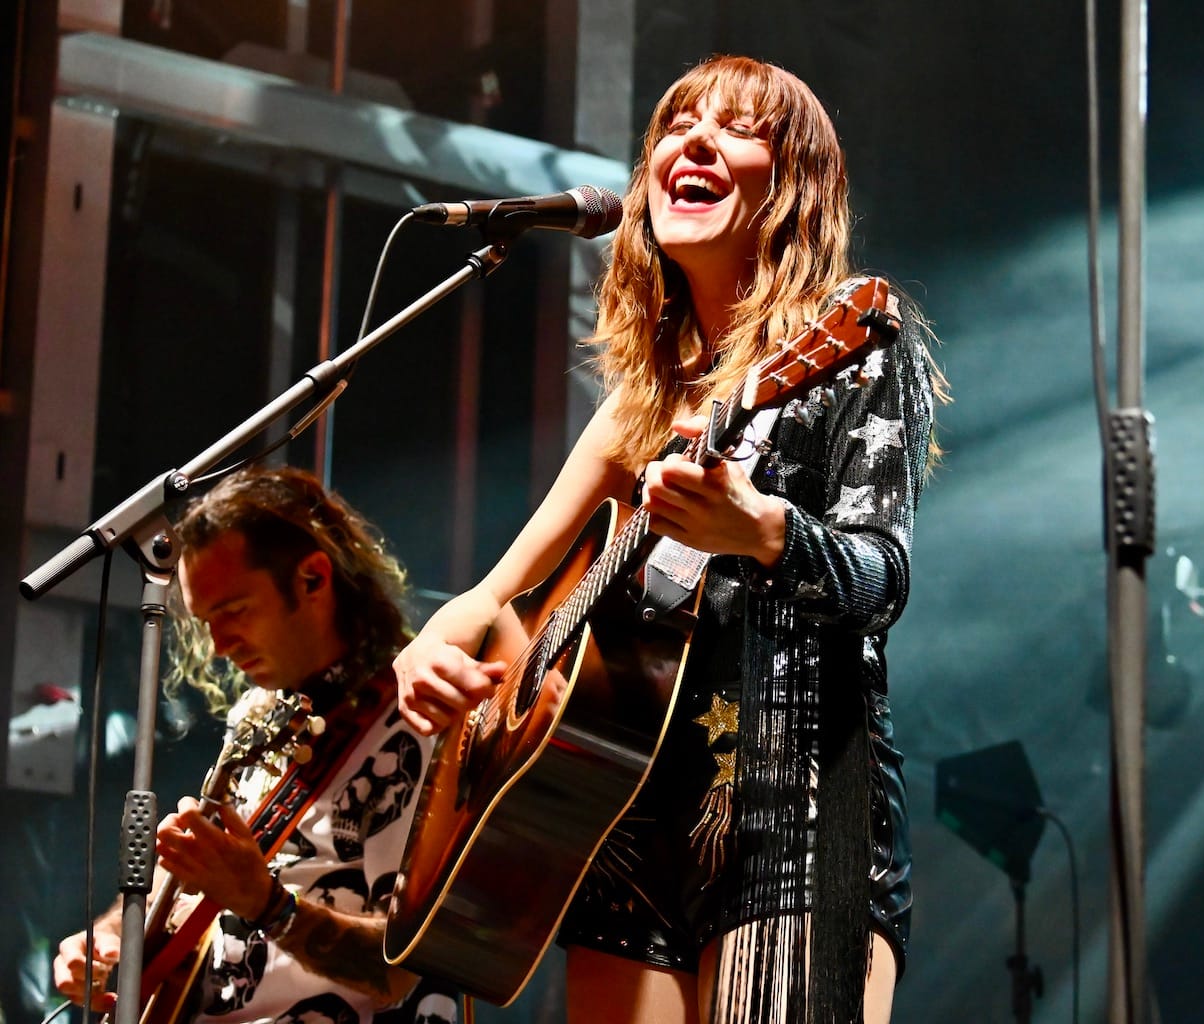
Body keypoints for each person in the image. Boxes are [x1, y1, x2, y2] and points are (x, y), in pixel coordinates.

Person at [393, 54, 945, 1024]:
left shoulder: (847, 343)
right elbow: (488, 603)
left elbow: (882, 578)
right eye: (674, 128)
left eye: (734, 127)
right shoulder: (636, 407)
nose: (690, 141)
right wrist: (432, 652)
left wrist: (762, 529)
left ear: (794, 185)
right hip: (613, 825)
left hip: (788, 818)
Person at [52, 467, 457, 1024]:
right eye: (206, 622)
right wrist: (103, 942)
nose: (217, 646)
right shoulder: (260, 714)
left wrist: (267, 904)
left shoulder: (418, 719)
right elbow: (189, 899)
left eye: (234, 612)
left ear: (313, 579)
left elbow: (406, 964)